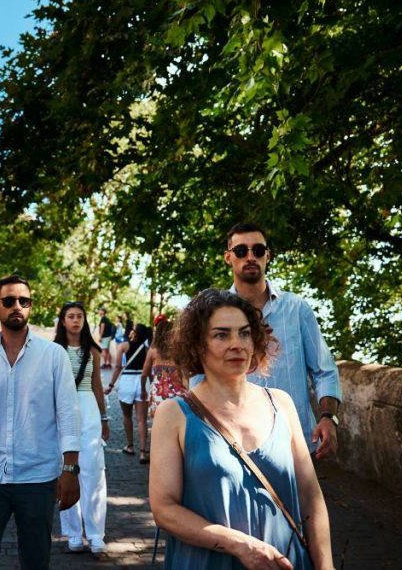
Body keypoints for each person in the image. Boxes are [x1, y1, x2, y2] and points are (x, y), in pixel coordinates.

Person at [150, 288, 333, 570]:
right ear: (199, 344)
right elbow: (164, 509)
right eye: (221, 335)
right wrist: (241, 546)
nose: (237, 344)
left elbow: (310, 497)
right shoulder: (174, 413)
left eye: (244, 333)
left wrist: (326, 566)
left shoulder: (281, 404)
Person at [0, 275, 80, 569]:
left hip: (37, 477)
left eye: (24, 301)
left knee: (35, 561)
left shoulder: (54, 356)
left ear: (30, 307)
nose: (17, 306)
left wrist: (70, 470)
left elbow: (67, 413)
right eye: (10, 301)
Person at [224, 222, 342, 458]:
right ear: (228, 257)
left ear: (267, 255)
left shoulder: (296, 308)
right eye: (241, 251)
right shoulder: (216, 313)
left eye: (257, 250)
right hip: (235, 446)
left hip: (295, 443)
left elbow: (324, 371)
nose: (250, 257)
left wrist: (328, 418)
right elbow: (199, 378)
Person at [53, 301, 109, 557]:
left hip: (88, 409)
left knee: (93, 471)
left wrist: (105, 417)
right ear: (63, 321)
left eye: (80, 316)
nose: (76, 320)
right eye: (70, 316)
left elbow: (97, 385)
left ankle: (96, 534)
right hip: (62, 409)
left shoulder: (93, 351)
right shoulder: (53, 351)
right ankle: (74, 533)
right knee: (66, 469)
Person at [140, 314, 186, 461]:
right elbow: (185, 374)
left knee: (158, 426)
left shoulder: (153, 351)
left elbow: (144, 374)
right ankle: (177, 456)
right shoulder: (178, 350)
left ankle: (159, 457)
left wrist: (143, 390)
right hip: (177, 392)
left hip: (158, 392)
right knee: (178, 425)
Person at [105, 322, 150, 463]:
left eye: (132, 330)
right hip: (142, 380)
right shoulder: (148, 348)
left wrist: (111, 385)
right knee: (142, 419)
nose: (130, 331)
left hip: (127, 381)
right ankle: (143, 452)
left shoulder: (123, 346)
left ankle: (130, 446)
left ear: (134, 333)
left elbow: (118, 366)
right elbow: (149, 368)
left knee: (127, 415)